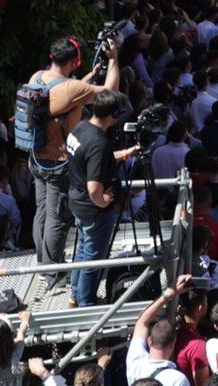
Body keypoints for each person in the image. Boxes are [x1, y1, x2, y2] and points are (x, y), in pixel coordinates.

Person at [26, 35, 120, 265]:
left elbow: (62, 92)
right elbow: (110, 93)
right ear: (75, 61)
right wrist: (114, 60)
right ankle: (52, 271)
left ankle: (42, 261)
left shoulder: (37, 77)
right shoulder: (72, 88)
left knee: (42, 213)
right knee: (56, 219)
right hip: (58, 163)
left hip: (36, 158)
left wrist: (88, 77)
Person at [67, 89, 140, 307]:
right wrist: (104, 201)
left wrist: (127, 152)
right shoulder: (99, 142)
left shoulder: (80, 128)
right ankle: (86, 303)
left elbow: (94, 159)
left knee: (82, 250)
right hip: (94, 209)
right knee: (93, 259)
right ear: (113, 116)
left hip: (77, 201)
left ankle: (75, 295)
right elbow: (93, 187)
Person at [127, 275, 193, 386]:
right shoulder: (178, 380)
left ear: (149, 341)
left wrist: (168, 294)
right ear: (172, 345)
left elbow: (141, 322)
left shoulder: (135, 363)